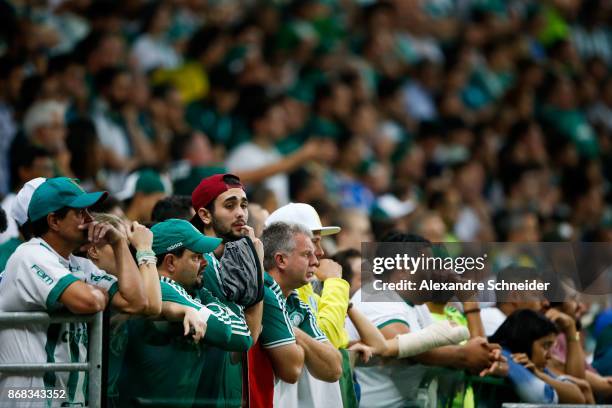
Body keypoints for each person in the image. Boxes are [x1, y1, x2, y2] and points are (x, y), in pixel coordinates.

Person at [0, 177, 149, 406]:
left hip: (64, 397)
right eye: (80, 213)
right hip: (28, 397)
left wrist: (119, 244)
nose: (90, 220)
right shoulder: (29, 255)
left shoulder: (78, 265)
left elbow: (137, 302)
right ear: (54, 221)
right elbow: (88, 302)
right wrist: (95, 293)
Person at [120, 218, 253, 405]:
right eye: (196, 257)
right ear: (171, 262)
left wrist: (203, 304)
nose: (205, 263)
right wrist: (208, 306)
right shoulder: (163, 288)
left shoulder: (195, 291)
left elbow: (243, 334)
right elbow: (228, 332)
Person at [190, 173, 263, 406]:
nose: (240, 213)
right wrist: (257, 265)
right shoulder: (202, 263)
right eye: (229, 206)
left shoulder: (225, 259)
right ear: (205, 214)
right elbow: (248, 336)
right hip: (203, 394)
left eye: (243, 205)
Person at [261, 221, 343, 408]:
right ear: (281, 260)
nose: (316, 260)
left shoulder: (296, 301)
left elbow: (334, 368)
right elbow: (292, 370)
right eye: (307, 254)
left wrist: (294, 332)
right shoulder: (263, 293)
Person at [490, 309, 592, 403]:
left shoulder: (533, 367)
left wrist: (539, 375)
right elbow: (546, 397)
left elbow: (579, 396)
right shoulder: (506, 357)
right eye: (545, 346)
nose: (549, 356)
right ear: (524, 341)